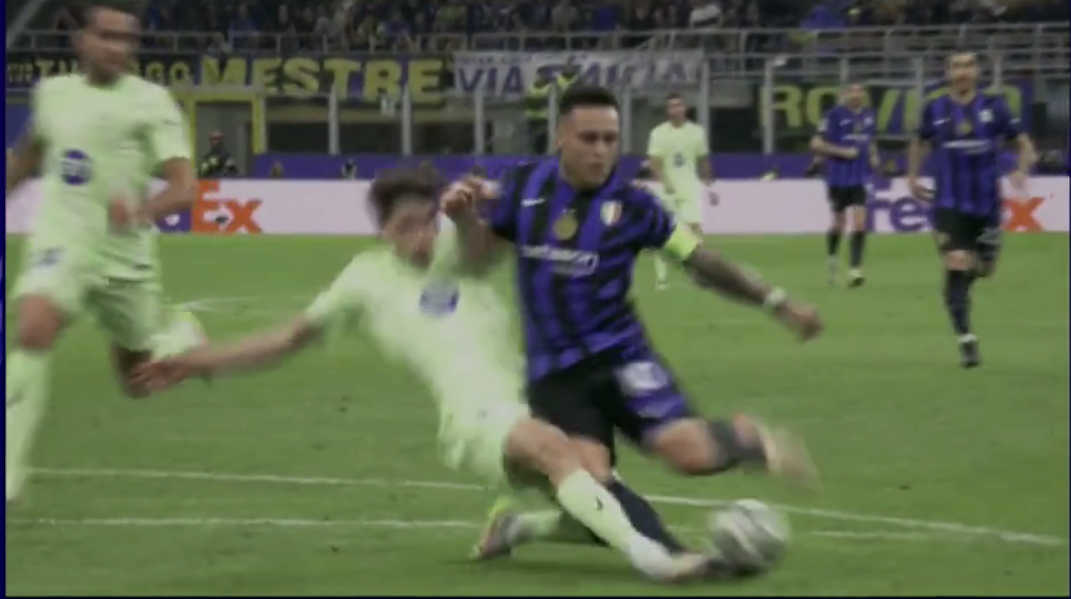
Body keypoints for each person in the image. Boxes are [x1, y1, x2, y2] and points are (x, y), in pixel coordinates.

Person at [131, 168, 715, 583]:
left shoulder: (458, 248)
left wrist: (466, 215)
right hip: (471, 418)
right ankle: (655, 561)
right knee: (559, 456)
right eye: (404, 226)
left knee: (593, 493)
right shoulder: (364, 281)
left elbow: (494, 242)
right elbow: (284, 340)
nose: (418, 237)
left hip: (532, 399)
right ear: (381, 230)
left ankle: (519, 527)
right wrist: (192, 361)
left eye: (426, 222)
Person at [442, 85, 822, 562]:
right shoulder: (523, 187)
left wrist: (777, 302)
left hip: (623, 357)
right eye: (589, 138)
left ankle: (748, 438)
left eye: (610, 139)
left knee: (689, 455)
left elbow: (701, 262)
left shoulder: (635, 205)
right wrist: (464, 222)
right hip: (556, 375)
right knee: (590, 488)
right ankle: (672, 556)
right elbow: (476, 263)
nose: (601, 150)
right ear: (561, 136)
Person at [5, 0, 207, 503]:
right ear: (82, 40)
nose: (118, 48)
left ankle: (180, 338)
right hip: (61, 242)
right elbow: (28, 157)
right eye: (108, 36)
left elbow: (185, 188)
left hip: (124, 260)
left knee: (137, 382)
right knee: (33, 328)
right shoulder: (52, 94)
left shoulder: (151, 102)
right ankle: (8, 471)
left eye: (128, 39)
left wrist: (142, 211)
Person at [908, 52, 1036, 368]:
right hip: (948, 204)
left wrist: (1022, 169)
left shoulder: (995, 106)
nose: (962, 72)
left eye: (967, 66)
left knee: (984, 269)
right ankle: (966, 340)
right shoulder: (934, 107)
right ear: (948, 72)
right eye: (956, 67)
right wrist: (912, 177)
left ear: (977, 71)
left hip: (987, 204)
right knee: (956, 261)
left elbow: (1024, 144)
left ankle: (962, 290)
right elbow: (918, 141)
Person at [810, 83, 879, 288]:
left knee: (860, 223)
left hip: (859, 178)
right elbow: (816, 143)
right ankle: (832, 257)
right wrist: (843, 152)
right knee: (838, 224)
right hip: (837, 178)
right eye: (852, 91)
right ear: (844, 94)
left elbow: (870, 140)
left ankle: (855, 270)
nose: (856, 95)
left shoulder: (869, 115)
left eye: (859, 91)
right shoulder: (833, 115)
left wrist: (874, 156)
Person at [646, 92, 716, 290]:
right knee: (664, 233)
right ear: (667, 110)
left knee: (695, 229)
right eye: (672, 106)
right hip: (668, 190)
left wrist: (709, 185)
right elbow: (654, 162)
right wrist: (664, 182)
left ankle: (699, 273)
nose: (676, 109)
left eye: (679, 105)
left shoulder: (696, 132)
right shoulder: (659, 133)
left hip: (690, 187)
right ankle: (661, 277)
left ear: (685, 108)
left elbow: (703, 160)